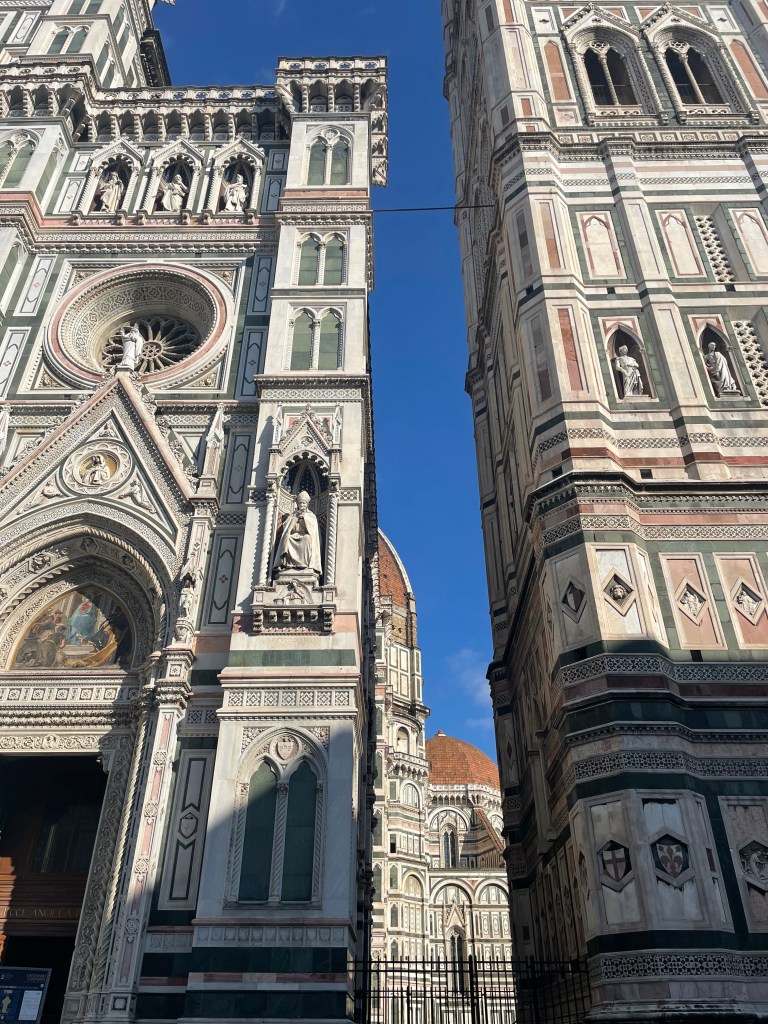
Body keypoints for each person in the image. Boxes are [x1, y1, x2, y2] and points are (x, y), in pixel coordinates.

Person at [273, 490, 322, 576]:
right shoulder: (293, 515)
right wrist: (295, 519)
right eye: (300, 503)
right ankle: (288, 565)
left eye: (304, 503)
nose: (302, 505)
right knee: (287, 538)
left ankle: (305, 564)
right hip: (294, 535)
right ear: (297, 504)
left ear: (307, 504)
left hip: (304, 535)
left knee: (307, 539)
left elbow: (313, 531)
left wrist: (304, 519)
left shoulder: (311, 516)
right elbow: (287, 528)